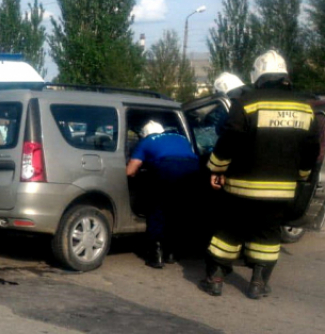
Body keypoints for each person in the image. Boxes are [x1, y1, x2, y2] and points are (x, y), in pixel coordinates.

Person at [201, 50, 321, 299]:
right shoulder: (305, 109)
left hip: (240, 188)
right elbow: (310, 149)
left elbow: (229, 139)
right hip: (281, 191)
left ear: (258, 77)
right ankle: (257, 284)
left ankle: (215, 279)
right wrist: (302, 175)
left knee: (228, 232)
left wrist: (216, 168)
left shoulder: (247, 103)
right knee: (266, 237)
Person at [126, 120, 200, 268]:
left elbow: (130, 171)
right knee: (177, 210)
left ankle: (156, 255)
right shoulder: (181, 137)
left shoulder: (147, 141)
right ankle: (172, 253)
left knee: (157, 210)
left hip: (166, 169)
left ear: (144, 134)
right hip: (193, 171)